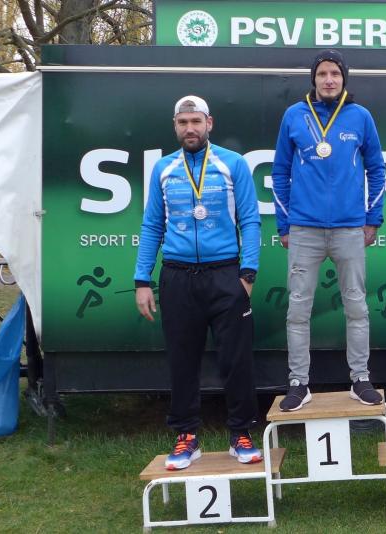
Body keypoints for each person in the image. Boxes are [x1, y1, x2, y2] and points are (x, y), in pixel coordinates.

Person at [134, 95, 262, 470]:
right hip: (177, 276)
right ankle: (186, 437)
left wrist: (248, 274)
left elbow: (250, 220)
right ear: (175, 126)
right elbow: (152, 225)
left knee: (236, 360)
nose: (190, 128)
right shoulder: (163, 168)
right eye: (183, 122)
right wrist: (142, 280)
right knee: (182, 361)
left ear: (209, 123)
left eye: (196, 121)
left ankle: (241, 433)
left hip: (226, 275)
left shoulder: (233, 164)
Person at [272, 49, 386, 411]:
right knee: (297, 309)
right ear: (314, 79)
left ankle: (360, 379)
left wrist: (373, 218)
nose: (329, 80)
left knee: (356, 306)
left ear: (344, 79)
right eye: (322, 74)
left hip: (349, 229)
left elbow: (377, 169)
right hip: (303, 229)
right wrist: (284, 223)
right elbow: (279, 172)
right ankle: (298, 383)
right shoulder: (294, 115)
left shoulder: (360, 116)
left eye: (335, 73)